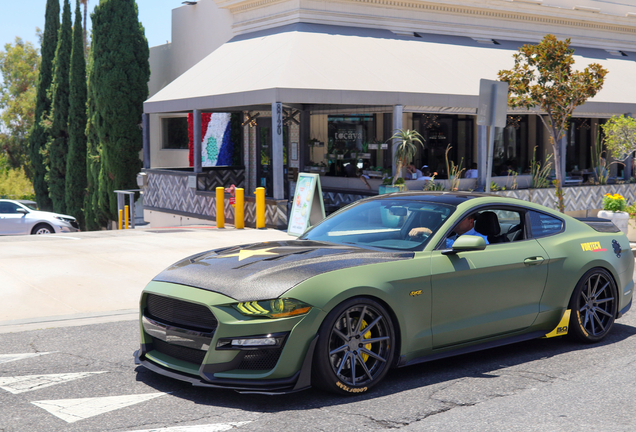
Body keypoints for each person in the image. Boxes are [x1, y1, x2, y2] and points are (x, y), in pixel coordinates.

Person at [409, 213, 489, 248]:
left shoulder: (481, 240)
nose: (454, 222)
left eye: (459, 219)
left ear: (471, 220)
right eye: (453, 219)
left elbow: (456, 247)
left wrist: (430, 233)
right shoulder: (451, 237)